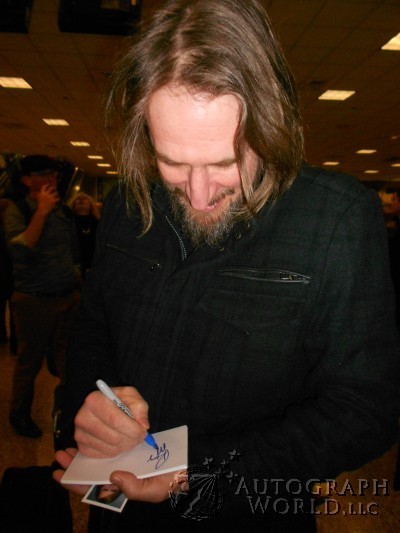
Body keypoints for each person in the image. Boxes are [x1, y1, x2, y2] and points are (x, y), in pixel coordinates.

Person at [53, 0, 400, 531]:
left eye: (225, 162)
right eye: (172, 162)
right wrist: (90, 407)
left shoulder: (338, 219)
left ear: (271, 122)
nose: (198, 194)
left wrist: (191, 470)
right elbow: (94, 327)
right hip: (121, 517)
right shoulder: (126, 203)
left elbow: (365, 411)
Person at [4, 154, 81, 439]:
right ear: (27, 180)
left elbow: (72, 253)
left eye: (54, 174)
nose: (53, 178)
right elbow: (20, 251)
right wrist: (41, 212)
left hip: (67, 297)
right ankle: (19, 414)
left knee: (68, 359)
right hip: (34, 301)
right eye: (45, 173)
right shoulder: (18, 210)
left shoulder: (63, 211)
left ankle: (68, 413)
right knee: (30, 362)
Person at [69, 192, 100, 279]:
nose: (81, 200)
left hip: (95, 265)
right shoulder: (68, 224)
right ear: (73, 206)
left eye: (84, 198)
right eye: (78, 199)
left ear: (90, 206)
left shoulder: (98, 223)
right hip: (76, 267)